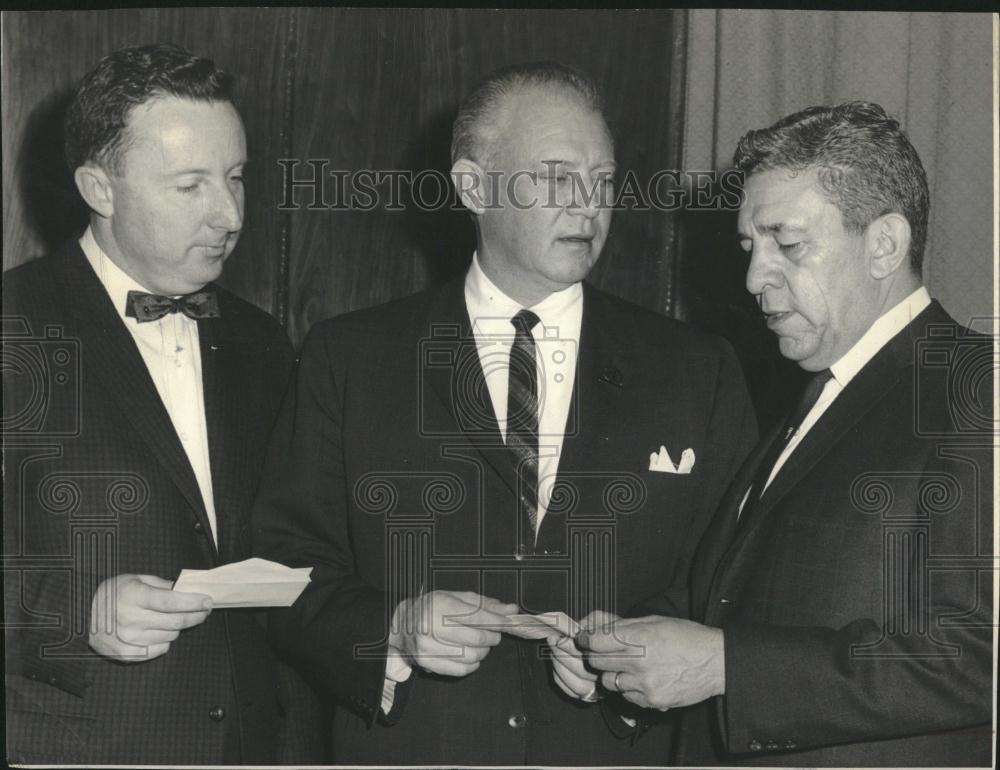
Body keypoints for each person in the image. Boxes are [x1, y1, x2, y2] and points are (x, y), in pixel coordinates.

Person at [253, 61, 757, 766]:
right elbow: (283, 568)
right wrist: (392, 630)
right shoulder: (351, 358)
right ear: (472, 186)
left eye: (604, 180)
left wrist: (629, 662)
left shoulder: (698, 370)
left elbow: (733, 580)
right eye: (555, 177)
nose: (589, 205)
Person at [575, 102, 994, 766]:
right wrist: (628, 651)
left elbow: (981, 657)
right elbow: (743, 595)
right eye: (749, 246)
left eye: (787, 243)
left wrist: (727, 668)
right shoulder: (811, 398)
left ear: (884, 243)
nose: (752, 279)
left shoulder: (977, 388)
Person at [3, 44, 322, 764]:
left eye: (236, 178)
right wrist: (76, 613)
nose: (229, 214)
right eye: (191, 186)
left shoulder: (262, 342)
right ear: (99, 187)